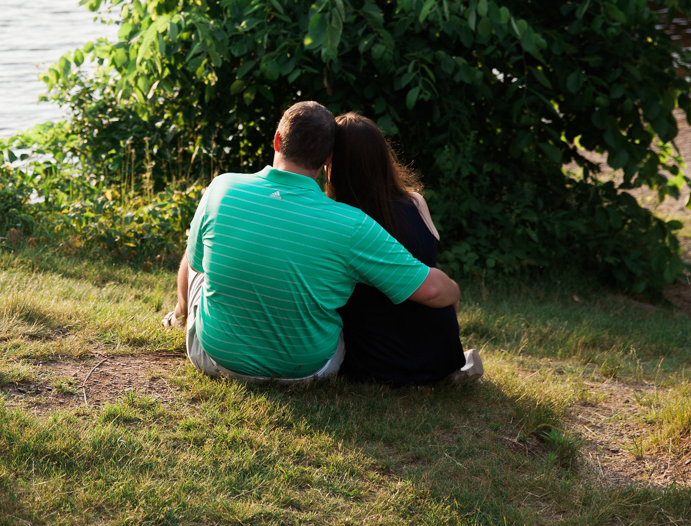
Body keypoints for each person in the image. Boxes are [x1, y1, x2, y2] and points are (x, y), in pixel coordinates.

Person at [162, 100, 461, 384]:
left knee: (195, 258)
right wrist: (455, 291)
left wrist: (184, 311)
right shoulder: (352, 223)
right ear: (329, 158)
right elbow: (431, 288)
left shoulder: (221, 188)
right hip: (308, 371)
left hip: (216, 358)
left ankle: (178, 315)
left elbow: (195, 264)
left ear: (277, 141)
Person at [328, 112, 483, 385]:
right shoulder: (416, 203)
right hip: (440, 356)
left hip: (375, 363)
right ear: (382, 158)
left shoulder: (340, 219)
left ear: (334, 163)